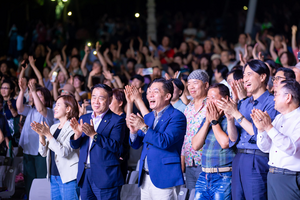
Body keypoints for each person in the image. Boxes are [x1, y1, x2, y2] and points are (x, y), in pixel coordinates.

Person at [217, 60, 279, 200]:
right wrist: (230, 119)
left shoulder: (271, 102)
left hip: (257, 158)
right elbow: (233, 138)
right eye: (244, 75)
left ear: (263, 77)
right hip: (239, 157)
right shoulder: (244, 103)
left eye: (249, 74)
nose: (245, 79)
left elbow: (261, 133)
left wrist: (236, 114)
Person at [127, 78, 186, 200]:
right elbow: (136, 144)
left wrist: (143, 127)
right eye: (148, 92)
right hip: (145, 178)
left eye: (155, 91)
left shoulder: (177, 116)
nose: (150, 95)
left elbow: (164, 142)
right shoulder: (149, 117)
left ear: (167, 96)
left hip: (164, 178)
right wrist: (133, 132)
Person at [69, 84, 125, 200]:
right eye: (94, 97)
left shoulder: (117, 120)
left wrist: (94, 135)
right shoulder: (83, 118)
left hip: (105, 176)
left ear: (109, 100)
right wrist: (77, 135)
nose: (96, 101)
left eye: (101, 98)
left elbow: (116, 147)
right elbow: (75, 145)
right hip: (85, 175)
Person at [250, 79, 300, 200]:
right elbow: (265, 148)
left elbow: (292, 148)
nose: (274, 98)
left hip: (289, 177)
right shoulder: (278, 118)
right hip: (272, 174)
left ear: (288, 97)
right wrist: (261, 129)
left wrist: (269, 127)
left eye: (276, 94)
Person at [192, 84, 236, 200]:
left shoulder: (232, 117)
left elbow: (225, 143)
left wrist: (214, 122)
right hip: (204, 176)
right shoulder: (207, 119)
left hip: (224, 176)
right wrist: (207, 122)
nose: (209, 102)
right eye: (208, 98)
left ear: (225, 99)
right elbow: (195, 145)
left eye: (213, 98)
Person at [31, 95, 80, 200]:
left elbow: (63, 152)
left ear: (68, 109)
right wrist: (41, 135)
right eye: (55, 105)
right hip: (53, 176)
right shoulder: (53, 127)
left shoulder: (73, 128)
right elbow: (43, 153)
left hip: (68, 178)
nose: (55, 108)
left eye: (58, 105)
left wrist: (48, 135)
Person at [17, 80, 54, 197]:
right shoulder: (30, 110)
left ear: (46, 98)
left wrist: (33, 90)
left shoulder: (49, 112)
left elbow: (41, 109)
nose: (34, 97)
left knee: (41, 180)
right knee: (29, 181)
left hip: (41, 153)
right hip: (28, 150)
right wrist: (22, 91)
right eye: (34, 95)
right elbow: (19, 107)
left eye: (39, 96)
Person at [181, 69, 209, 191]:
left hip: (206, 164)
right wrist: (183, 158)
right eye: (189, 84)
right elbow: (185, 136)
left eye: (195, 83)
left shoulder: (211, 105)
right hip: (189, 163)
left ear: (206, 85)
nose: (191, 87)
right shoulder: (188, 108)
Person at [109, 89, 129, 182]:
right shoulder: (109, 118)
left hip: (119, 159)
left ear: (120, 103)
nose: (108, 102)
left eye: (111, 100)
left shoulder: (124, 119)